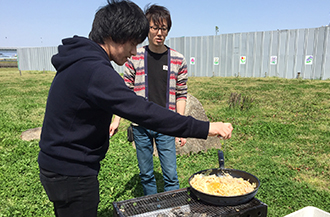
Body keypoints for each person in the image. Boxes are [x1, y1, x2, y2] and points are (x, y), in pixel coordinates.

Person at [37, 0, 233, 217]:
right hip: (71, 173)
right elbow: (144, 112)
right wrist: (206, 128)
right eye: (132, 44)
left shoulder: (82, 60)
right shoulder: (96, 71)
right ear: (115, 36)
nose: (132, 52)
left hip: (58, 165)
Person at [109, 4, 189, 196]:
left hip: (166, 124)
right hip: (140, 124)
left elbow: (181, 94)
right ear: (147, 29)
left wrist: (181, 125)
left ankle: (172, 208)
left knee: (170, 173)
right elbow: (124, 91)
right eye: (155, 27)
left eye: (164, 28)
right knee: (146, 173)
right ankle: (151, 208)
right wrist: (116, 119)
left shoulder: (178, 60)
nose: (159, 33)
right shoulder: (134, 57)